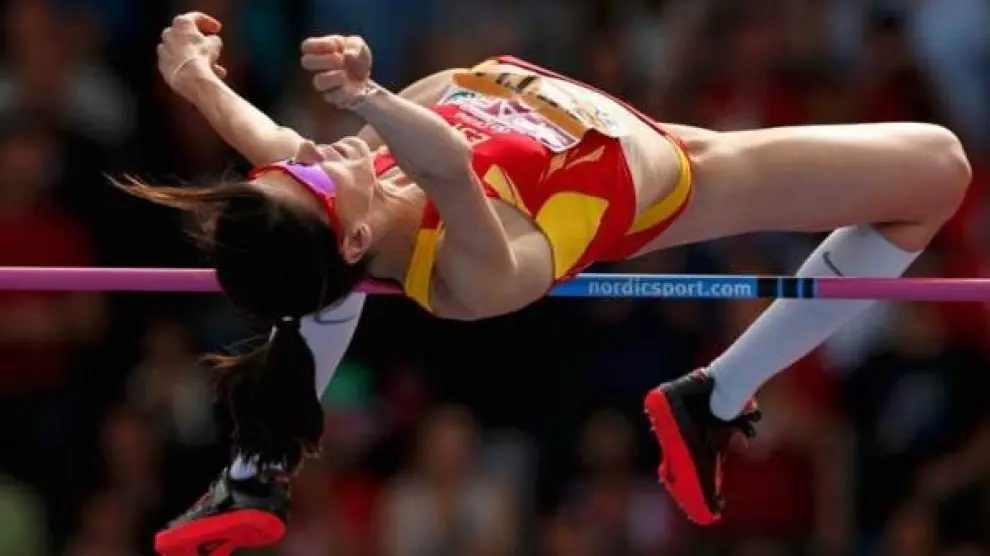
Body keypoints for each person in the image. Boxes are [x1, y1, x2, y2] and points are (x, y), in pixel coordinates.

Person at [137, 12, 972, 556]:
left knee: (314, 268)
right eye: (314, 175)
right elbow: (451, 167)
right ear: (352, 233)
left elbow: (277, 152)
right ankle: (718, 397)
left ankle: (256, 470)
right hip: (701, 174)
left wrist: (196, 78)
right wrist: (369, 97)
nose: (316, 152)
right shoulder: (466, 268)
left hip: (622, 124)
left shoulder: (351, 190)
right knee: (939, 169)